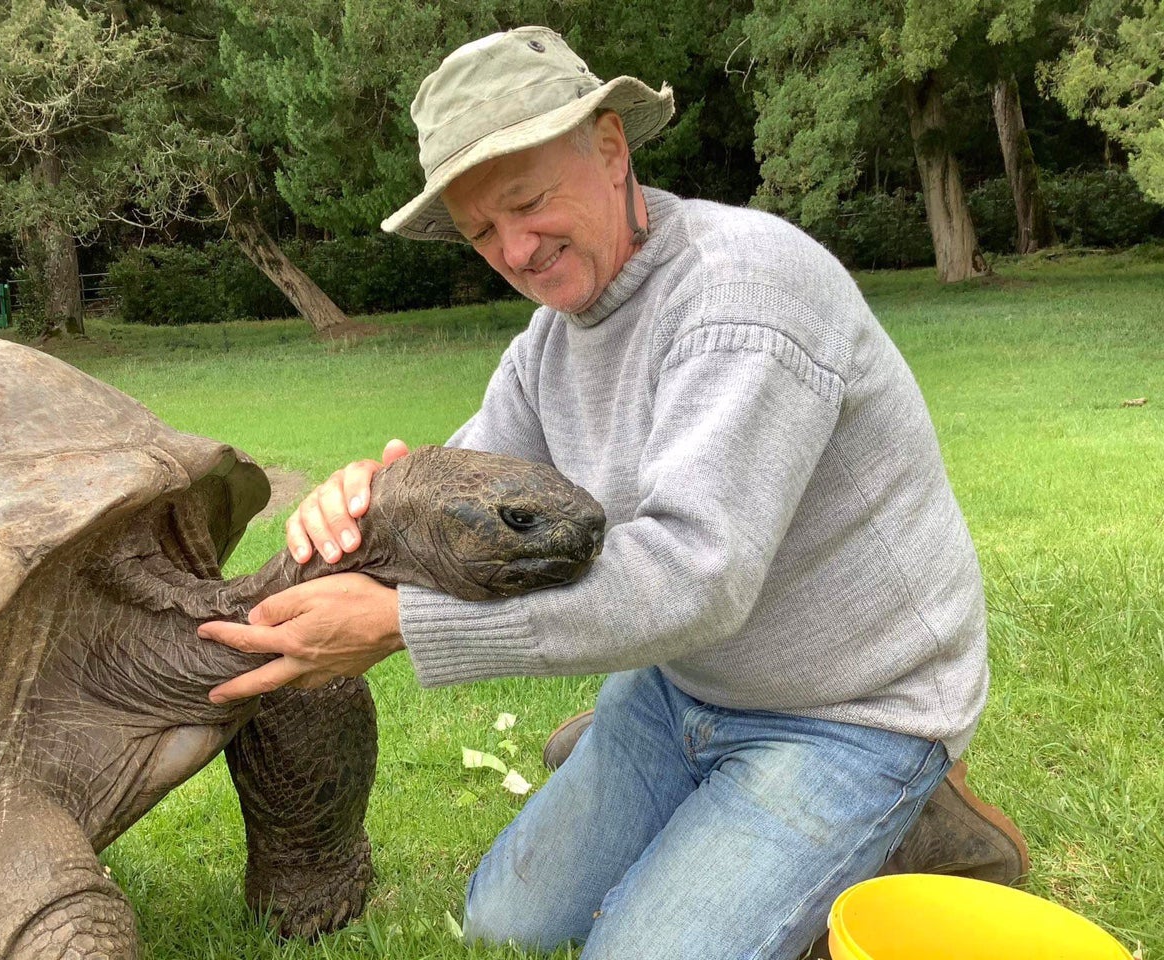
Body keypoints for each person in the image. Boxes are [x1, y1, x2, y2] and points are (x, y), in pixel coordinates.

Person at [199, 26, 1027, 959]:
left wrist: (398, 625)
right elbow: (462, 511)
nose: (515, 248)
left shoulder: (745, 296)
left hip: (848, 705)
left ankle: (911, 808)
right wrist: (368, 504)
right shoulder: (550, 346)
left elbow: (695, 578)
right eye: (480, 231)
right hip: (678, 683)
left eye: (528, 200)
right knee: (502, 925)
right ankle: (675, 778)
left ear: (609, 145)